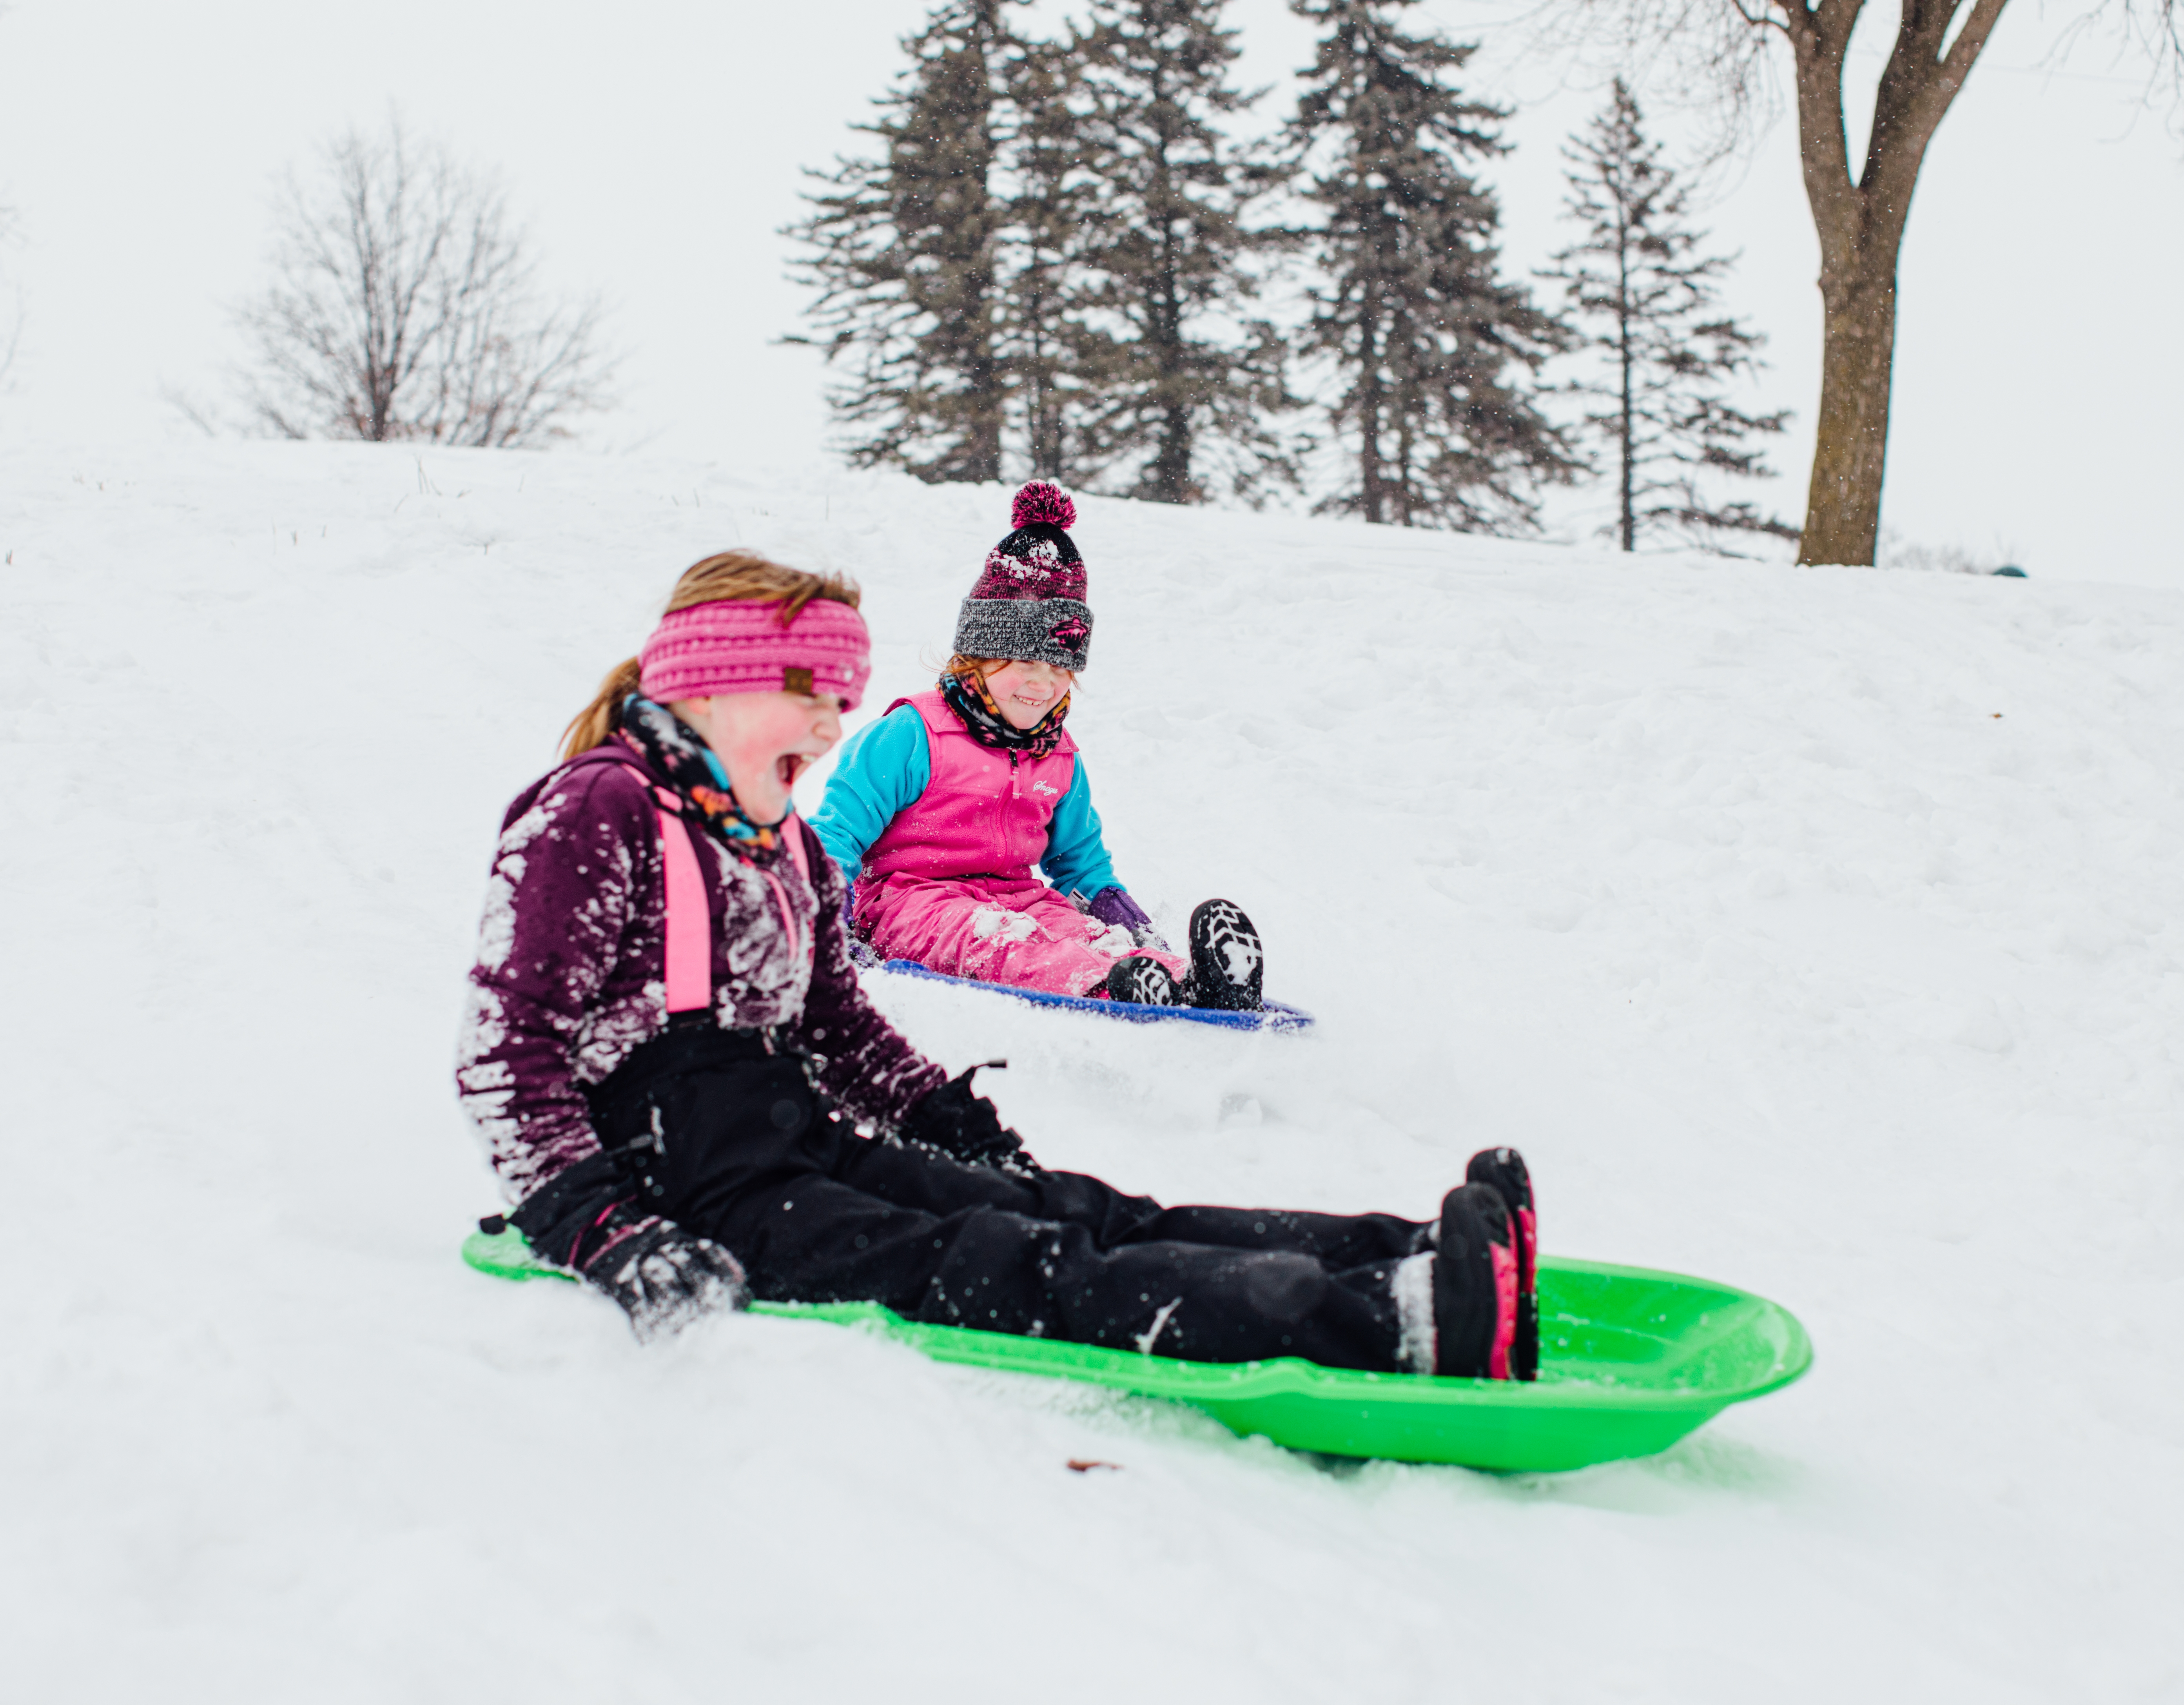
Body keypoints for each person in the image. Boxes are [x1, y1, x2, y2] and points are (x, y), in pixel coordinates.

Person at [455, 548, 1542, 1378]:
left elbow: (833, 1022)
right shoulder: (595, 812)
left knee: (1078, 1209)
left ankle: (1404, 1258)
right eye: (819, 693)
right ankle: (1385, 1327)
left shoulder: (771, 829)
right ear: (722, 680)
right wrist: (603, 1230)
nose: (837, 722)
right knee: (1011, 1263)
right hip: (676, 1187)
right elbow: (509, 1059)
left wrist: (947, 1118)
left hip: (788, 1137)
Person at [811, 481, 1263, 1012]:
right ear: (977, 658)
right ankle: (1110, 986)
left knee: (1069, 928)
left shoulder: (1059, 755)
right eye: (1026, 663)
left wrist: (1129, 924)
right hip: (910, 901)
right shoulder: (912, 735)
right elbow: (835, 835)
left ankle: (1190, 981)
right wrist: (827, 920)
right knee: (1000, 940)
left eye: (1060, 668)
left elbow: (1079, 861)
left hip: (1018, 896)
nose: (1042, 684)